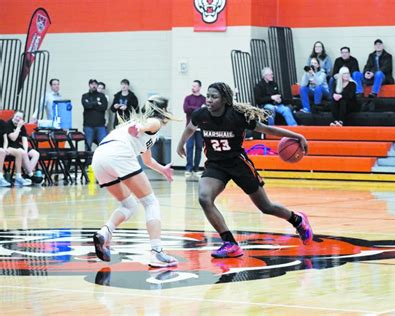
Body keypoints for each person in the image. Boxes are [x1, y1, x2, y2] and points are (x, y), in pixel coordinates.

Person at [177, 82, 313, 258]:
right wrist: (181, 145)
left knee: (266, 207)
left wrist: (296, 135)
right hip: (216, 165)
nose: (209, 100)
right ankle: (230, 243)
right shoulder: (200, 114)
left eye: (214, 97)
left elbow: (266, 128)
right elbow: (190, 128)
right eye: (208, 96)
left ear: (225, 100)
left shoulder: (237, 116)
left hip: (238, 164)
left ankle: (298, 220)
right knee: (204, 198)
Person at [92, 95, 178, 268]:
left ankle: (105, 233)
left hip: (99, 158)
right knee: (150, 202)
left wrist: (162, 169)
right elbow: (149, 124)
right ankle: (157, 253)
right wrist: (139, 127)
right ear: (163, 111)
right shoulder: (153, 122)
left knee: (129, 205)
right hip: (118, 154)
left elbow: (146, 160)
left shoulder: (138, 128)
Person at [5, 111, 41, 185]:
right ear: (13, 115)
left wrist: (25, 150)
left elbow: (24, 140)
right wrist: (18, 127)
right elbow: (13, 138)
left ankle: (27, 174)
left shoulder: (22, 126)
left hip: (18, 145)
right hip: (10, 145)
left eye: (20, 117)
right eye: (17, 116)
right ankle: (30, 175)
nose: (18, 118)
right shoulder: (8, 124)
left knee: (36, 154)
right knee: (23, 153)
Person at [183, 80, 206, 179]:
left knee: (199, 148)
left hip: (200, 128)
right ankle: (188, 168)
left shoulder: (204, 98)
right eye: (192, 86)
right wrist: (198, 108)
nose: (193, 88)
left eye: (195, 86)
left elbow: (205, 111)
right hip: (190, 127)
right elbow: (186, 109)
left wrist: (194, 109)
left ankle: (196, 168)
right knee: (189, 147)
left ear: (199, 87)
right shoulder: (188, 98)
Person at [81, 79, 108, 151]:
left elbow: (104, 107)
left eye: (95, 84)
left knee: (103, 145)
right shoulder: (85, 96)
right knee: (88, 145)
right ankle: (87, 162)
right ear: (89, 85)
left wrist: (91, 104)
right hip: (88, 126)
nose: (94, 85)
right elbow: (86, 106)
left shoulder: (102, 96)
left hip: (100, 125)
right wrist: (96, 103)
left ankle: (102, 162)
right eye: (92, 84)